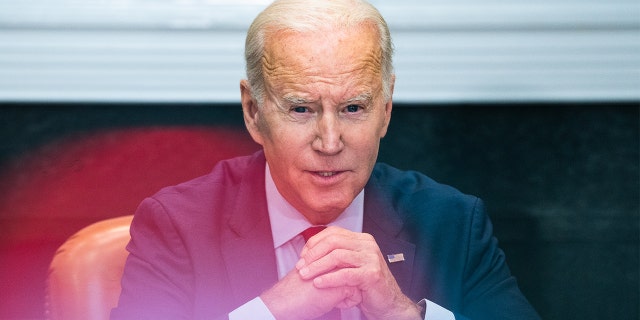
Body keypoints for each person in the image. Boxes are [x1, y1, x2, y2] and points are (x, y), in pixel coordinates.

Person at [111, 0, 540, 319]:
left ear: (386, 110)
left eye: (353, 108)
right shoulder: (178, 225)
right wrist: (271, 311)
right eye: (301, 109)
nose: (330, 142)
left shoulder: (452, 223)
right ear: (254, 113)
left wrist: (401, 313)